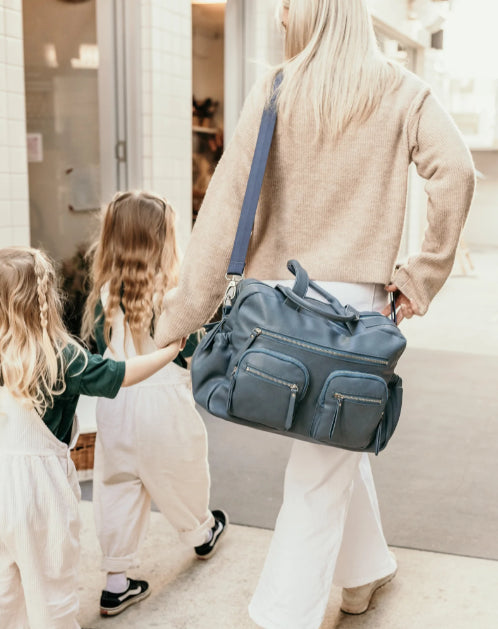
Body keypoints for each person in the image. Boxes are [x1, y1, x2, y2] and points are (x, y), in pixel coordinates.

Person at [154, 0, 475, 627]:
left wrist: (179, 314)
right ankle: (366, 574)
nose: (277, 17)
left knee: (317, 468)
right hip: (356, 316)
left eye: (285, 4)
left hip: (280, 311)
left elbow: (223, 210)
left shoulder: (275, 89)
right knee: (330, 448)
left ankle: (283, 615)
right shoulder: (404, 92)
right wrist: (421, 275)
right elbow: (456, 171)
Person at [0, 246, 184, 629]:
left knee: (5, 593)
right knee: (51, 593)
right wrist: (168, 354)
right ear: (45, 299)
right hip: (41, 495)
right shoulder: (60, 356)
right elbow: (120, 373)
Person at [81, 191, 228, 618]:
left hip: (117, 406)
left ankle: (116, 582)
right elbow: (191, 354)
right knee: (182, 474)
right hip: (166, 409)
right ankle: (201, 532)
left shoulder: (103, 295)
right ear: (161, 242)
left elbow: (96, 346)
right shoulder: (173, 296)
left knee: (117, 488)